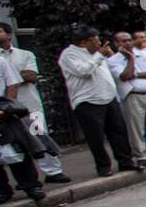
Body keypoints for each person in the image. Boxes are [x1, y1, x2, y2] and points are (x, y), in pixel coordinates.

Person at [0, 21, 69, 183]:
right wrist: (16, 75)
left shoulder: (25, 54)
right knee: (16, 141)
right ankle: (27, 179)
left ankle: (53, 171)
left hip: (29, 105)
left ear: (9, 35)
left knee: (39, 135)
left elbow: (31, 75)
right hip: (4, 110)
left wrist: (7, 75)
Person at [58, 26, 135, 177]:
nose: (99, 43)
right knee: (96, 137)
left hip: (109, 98)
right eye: (95, 40)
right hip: (88, 101)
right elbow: (84, 71)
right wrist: (99, 55)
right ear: (84, 42)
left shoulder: (97, 53)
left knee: (118, 131)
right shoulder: (69, 55)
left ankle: (126, 162)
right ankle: (103, 167)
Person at [106, 30, 146, 169]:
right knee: (136, 129)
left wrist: (136, 74)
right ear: (116, 43)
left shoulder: (144, 54)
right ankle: (141, 156)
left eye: (129, 40)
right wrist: (131, 59)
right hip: (132, 96)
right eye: (123, 41)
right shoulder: (112, 61)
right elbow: (124, 76)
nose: (128, 43)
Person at [0, 53, 46, 203]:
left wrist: (6, 107)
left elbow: (12, 84)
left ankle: (31, 185)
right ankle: (1, 190)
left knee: (18, 149)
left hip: (2, 112)